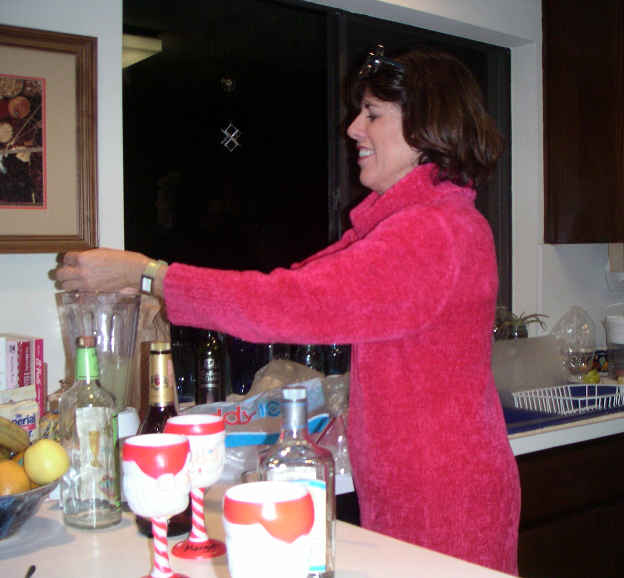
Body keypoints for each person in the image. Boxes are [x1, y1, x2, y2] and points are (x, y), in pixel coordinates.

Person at [53, 45, 521, 574]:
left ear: (425, 127)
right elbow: (295, 284)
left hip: (444, 500)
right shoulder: (414, 223)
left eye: (372, 114)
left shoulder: (433, 232)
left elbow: (287, 303)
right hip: (420, 487)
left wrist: (146, 274)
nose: (353, 129)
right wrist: (154, 279)